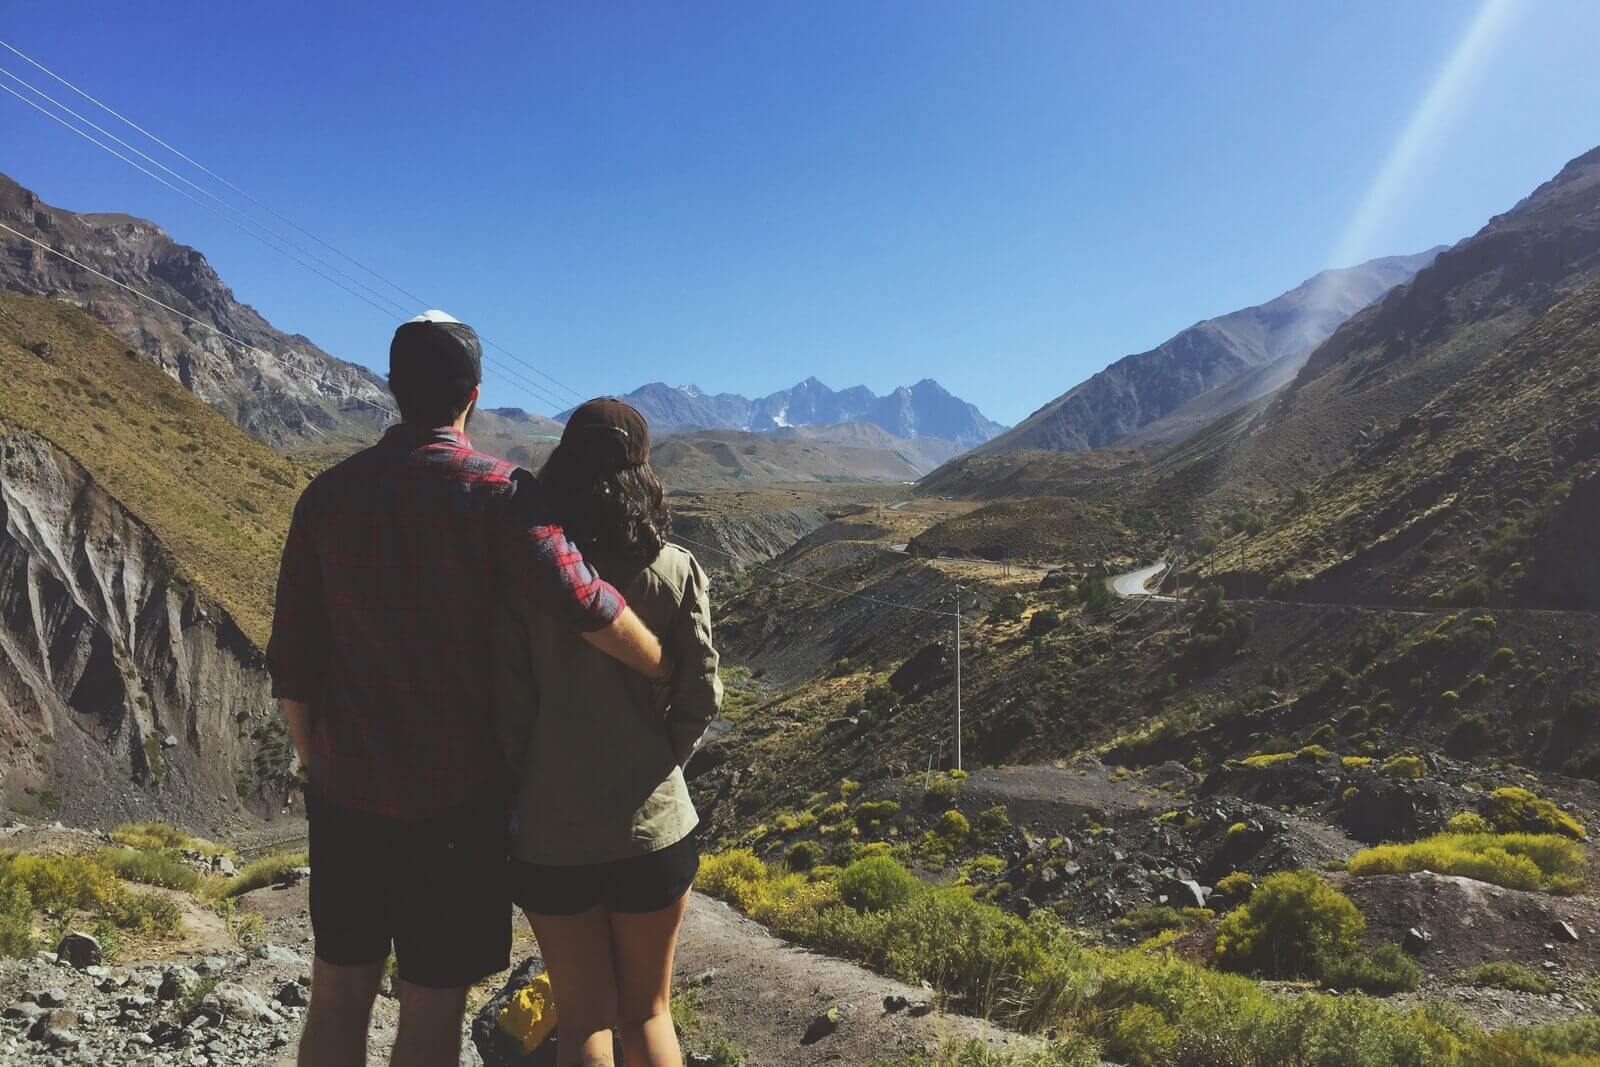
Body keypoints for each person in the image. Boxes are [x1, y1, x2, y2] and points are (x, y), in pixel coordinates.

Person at [266, 313, 670, 1067]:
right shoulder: (501, 493)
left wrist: (318, 759)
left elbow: (293, 661)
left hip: (347, 794)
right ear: (473, 397)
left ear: (392, 388)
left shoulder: (325, 497)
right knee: (431, 1003)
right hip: (454, 805)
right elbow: (586, 602)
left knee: (337, 993)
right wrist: (659, 662)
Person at [496, 398, 721, 1067]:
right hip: (655, 831)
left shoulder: (527, 579)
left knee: (583, 1017)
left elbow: (509, 713)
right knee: (649, 1012)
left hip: (551, 836)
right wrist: (660, 758)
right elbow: (701, 694)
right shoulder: (677, 570)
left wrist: (531, 785)